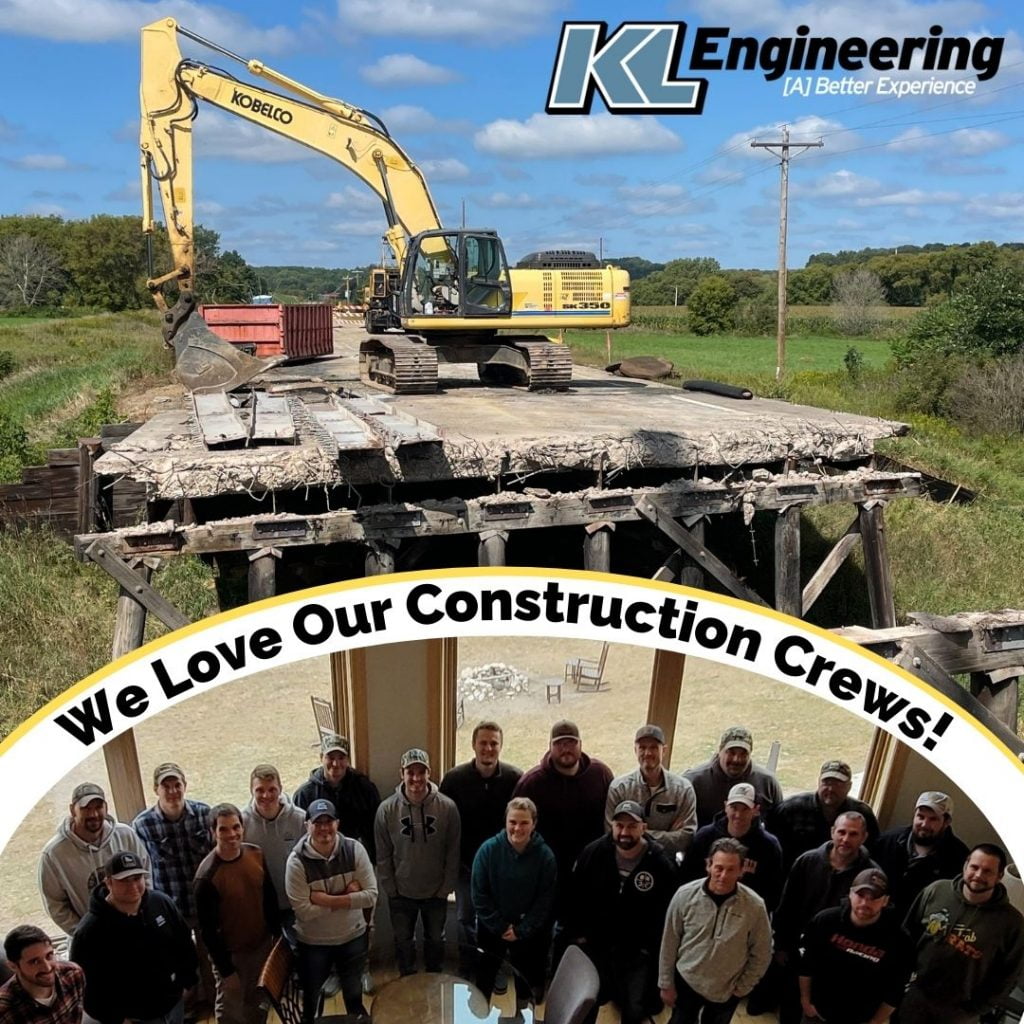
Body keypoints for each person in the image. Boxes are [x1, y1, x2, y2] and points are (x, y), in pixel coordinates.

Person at [568, 800, 677, 1024]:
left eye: (632, 826)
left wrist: (651, 948)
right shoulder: (593, 853)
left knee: (634, 1006)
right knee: (589, 999)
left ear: (644, 828)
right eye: (619, 825)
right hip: (597, 945)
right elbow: (575, 896)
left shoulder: (660, 862)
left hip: (637, 952)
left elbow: (669, 912)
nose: (624, 832)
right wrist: (580, 934)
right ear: (612, 825)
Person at [773, 812, 879, 1024]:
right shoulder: (806, 861)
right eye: (841, 832)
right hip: (798, 952)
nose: (845, 839)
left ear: (864, 837)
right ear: (832, 831)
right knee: (791, 1007)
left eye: (853, 834)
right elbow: (787, 906)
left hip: (837, 962)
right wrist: (782, 945)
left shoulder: (872, 875)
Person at [901, 843, 1024, 1024]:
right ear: (965, 865)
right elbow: (906, 936)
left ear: (999, 876)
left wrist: (977, 1008)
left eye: (988, 871)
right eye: (974, 867)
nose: (978, 875)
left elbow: (1008, 977)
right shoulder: (936, 891)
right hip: (914, 998)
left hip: (959, 1014)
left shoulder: (1012, 924)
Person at [70, 850, 197, 1024]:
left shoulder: (161, 903)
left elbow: (184, 944)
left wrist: (186, 982)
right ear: (108, 883)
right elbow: (85, 986)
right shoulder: (89, 931)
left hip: (174, 1006)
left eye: (137, 878)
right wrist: (116, 1019)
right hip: (134, 1018)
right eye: (124, 880)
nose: (133, 886)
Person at [657, 837, 772, 1024]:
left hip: (727, 989)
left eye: (731, 869)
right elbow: (669, 942)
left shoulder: (755, 906)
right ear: (708, 865)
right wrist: (666, 984)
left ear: (742, 870)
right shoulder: (684, 895)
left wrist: (743, 988)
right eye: (719, 868)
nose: (723, 875)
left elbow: (762, 952)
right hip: (687, 981)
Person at [286, 798, 377, 1023]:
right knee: (311, 1000)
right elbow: (303, 911)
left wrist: (326, 899)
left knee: (354, 1000)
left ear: (337, 823)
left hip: (353, 937)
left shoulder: (355, 849)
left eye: (329, 821)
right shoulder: (296, 862)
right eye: (318, 823)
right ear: (307, 825)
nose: (324, 828)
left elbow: (371, 896)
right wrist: (348, 896)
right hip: (314, 943)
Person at [439, 720, 522, 961]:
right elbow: (445, 824)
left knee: (498, 918)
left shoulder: (515, 778)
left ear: (501, 746)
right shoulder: (454, 780)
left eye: (494, 743)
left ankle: (493, 965)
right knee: (465, 917)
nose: (488, 748)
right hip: (465, 866)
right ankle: (469, 964)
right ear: (473, 745)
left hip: (501, 867)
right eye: (483, 743)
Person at [374, 748, 460, 975]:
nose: (416, 778)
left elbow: (453, 851)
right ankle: (407, 979)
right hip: (401, 892)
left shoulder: (447, 808)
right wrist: (390, 888)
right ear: (401, 773)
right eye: (410, 772)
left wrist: (446, 888)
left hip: (436, 892)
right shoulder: (386, 810)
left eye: (421, 772)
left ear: (429, 773)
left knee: (435, 938)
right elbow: (382, 854)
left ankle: (434, 977)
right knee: (403, 940)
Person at [194, 803, 279, 1024]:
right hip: (232, 956)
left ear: (242, 827)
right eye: (223, 829)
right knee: (231, 1011)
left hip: (262, 948)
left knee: (258, 1004)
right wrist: (227, 971)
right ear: (213, 833)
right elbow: (208, 932)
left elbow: (269, 900)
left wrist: (276, 941)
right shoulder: (206, 877)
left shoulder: (256, 854)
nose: (231, 834)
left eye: (236, 827)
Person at [798, 868, 914, 1024]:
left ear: (885, 901)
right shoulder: (825, 921)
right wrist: (805, 1001)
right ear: (850, 893)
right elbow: (806, 965)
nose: (865, 903)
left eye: (874, 898)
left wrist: (874, 1022)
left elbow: (895, 991)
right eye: (860, 895)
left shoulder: (900, 940)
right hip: (817, 1014)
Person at [513, 720, 613, 900]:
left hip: (590, 867)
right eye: (559, 743)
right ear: (549, 746)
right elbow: (515, 828)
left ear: (581, 745)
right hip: (547, 870)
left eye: (571, 743)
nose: (565, 748)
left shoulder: (601, 774)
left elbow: (612, 818)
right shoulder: (531, 784)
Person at [470, 797, 556, 1006]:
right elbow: (479, 894)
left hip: (527, 933)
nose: (518, 828)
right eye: (513, 822)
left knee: (525, 983)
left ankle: (520, 1015)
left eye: (524, 823)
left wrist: (521, 930)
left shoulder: (545, 857)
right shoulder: (488, 851)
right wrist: (500, 926)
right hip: (491, 929)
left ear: (534, 824)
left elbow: (545, 900)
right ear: (505, 822)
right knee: (484, 980)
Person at [38, 781, 150, 937]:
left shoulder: (126, 835)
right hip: (93, 940)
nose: (94, 814)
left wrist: (144, 917)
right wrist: (85, 932)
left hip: (137, 930)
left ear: (106, 807)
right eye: (86, 808)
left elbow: (146, 877)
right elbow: (55, 905)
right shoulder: (54, 854)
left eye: (98, 807)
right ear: (72, 810)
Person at [681, 782, 784, 913]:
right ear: (725, 807)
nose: (738, 815)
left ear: (756, 810)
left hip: (747, 913)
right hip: (702, 909)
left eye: (745, 809)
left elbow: (774, 893)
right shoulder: (704, 837)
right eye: (734, 807)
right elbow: (686, 877)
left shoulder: (769, 846)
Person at [132, 762, 212, 923]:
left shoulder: (204, 814)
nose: (173, 791)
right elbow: (142, 872)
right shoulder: (142, 825)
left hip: (206, 904)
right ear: (156, 789)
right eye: (166, 786)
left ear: (185, 786)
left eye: (177, 785)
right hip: (169, 909)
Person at [605, 724, 697, 861]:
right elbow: (611, 832)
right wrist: (667, 834)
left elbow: (686, 837)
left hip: (666, 864)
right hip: (624, 861)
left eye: (654, 747)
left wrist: (636, 833)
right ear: (635, 750)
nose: (648, 753)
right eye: (642, 747)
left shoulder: (683, 790)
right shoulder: (619, 788)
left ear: (664, 750)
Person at [767, 759, 880, 870]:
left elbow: (873, 852)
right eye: (826, 782)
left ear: (849, 786)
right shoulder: (790, 809)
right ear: (818, 782)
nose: (831, 789)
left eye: (838, 784)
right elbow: (771, 848)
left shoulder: (862, 814)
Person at [871, 790, 969, 910]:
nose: (924, 824)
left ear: (946, 822)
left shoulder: (959, 857)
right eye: (920, 817)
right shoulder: (887, 841)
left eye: (933, 819)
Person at [293, 734, 381, 861]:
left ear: (348, 760)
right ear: (321, 758)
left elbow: (376, 829)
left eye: (341, 758)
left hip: (358, 859)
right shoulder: (305, 795)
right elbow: (300, 836)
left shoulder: (365, 788)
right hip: (320, 862)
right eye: (330, 757)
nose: (336, 763)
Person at [241, 764, 306, 924]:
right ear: (251, 791)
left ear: (281, 788)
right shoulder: (242, 823)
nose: (266, 795)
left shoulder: (300, 819)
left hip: (296, 902)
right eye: (259, 790)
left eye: (272, 789)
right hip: (261, 905)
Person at [684, 726, 784, 827]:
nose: (737, 759)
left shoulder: (768, 783)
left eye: (743, 754)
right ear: (719, 751)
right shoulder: (693, 781)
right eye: (731, 752)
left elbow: (780, 825)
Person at [0, 925, 85, 1024]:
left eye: (49, 955)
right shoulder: (5, 1011)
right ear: (13, 966)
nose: (47, 968)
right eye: (34, 962)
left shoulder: (73, 975)